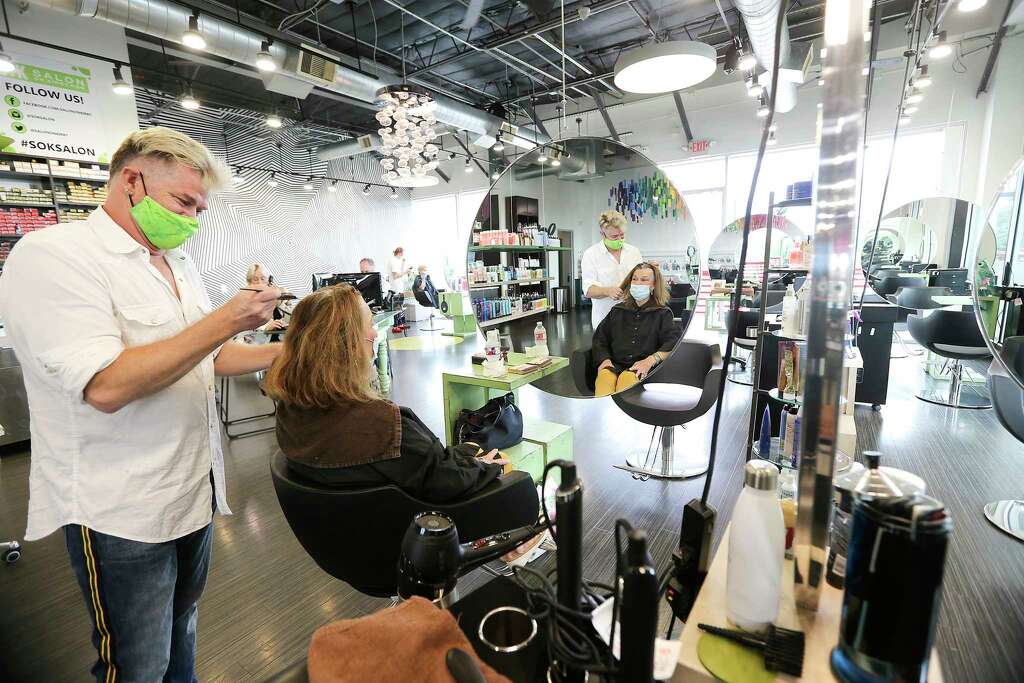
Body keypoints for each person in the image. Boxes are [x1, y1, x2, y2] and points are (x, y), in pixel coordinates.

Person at [0, 127, 284, 683]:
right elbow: (104, 386)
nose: (192, 221)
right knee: (137, 662)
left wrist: (286, 348)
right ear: (132, 180)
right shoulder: (55, 256)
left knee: (183, 631)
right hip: (120, 510)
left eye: (200, 209)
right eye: (184, 203)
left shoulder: (176, 266)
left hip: (192, 492)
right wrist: (228, 317)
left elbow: (210, 356)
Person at [265, 284, 509, 502]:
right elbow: (447, 482)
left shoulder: (289, 412)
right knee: (514, 479)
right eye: (370, 325)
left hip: (347, 533)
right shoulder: (387, 427)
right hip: (419, 533)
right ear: (348, 344)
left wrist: (464, 454)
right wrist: (486, 468)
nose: (374, 334)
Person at [591, 262, 680, 397]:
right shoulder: (617, 311)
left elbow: (673, 343)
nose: (638, 283)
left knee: (626, 380)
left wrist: (650, 360)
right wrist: (605, 360)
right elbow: (600, 339)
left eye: (644, 280)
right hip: (614, 364)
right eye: (634, 279)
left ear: (653, 285)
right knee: (605, 377)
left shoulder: (662, 314)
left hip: (643, 368)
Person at [581, 210, 644, 329]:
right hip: (605, 322)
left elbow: (641, 278)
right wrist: (607, 291)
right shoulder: (591, 254)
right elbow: (588, 290)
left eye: (622, 235)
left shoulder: (633, 252)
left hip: (633, 319)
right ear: (602, 233)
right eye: (614, 237)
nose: (619, 239)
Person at [247, 263, 288, 340]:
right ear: (249, 282)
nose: (260, 283)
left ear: (269, 281)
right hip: (259, 344)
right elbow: (246, 331)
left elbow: (287, 314)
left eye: (263, 279)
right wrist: (266, 328)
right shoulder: (246, 302)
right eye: (255, 279)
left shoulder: (273, 298)